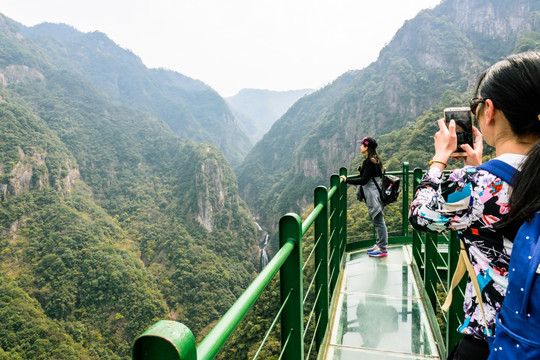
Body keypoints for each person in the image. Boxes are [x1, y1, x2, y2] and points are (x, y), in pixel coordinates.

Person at [408, 51, 540, 360]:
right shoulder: (481, 182)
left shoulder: (471, 185)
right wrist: (483, 169)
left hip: (494, 342)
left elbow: (419, 214)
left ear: (489, 111)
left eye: (476, 107)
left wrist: (440, 159)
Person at [340, 136, 388, 257]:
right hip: (376, 192)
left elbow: (364, 180)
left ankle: (382, 248)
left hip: (372, 194)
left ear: (366, 147)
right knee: (378, 220)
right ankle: (379, 245)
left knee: (379, 221)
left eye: (362, 145)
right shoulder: (375, 159)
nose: (360, 146)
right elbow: (372, 175)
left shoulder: (369, 161)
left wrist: (347, 181)